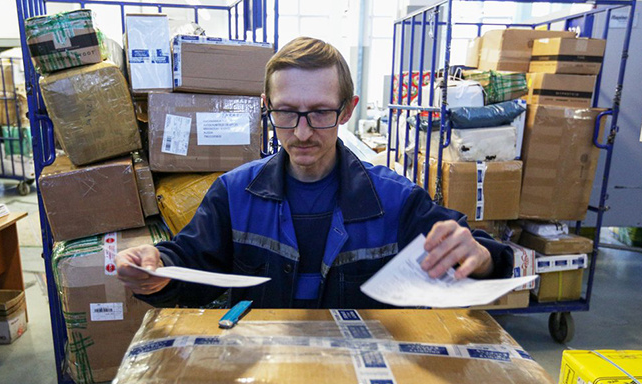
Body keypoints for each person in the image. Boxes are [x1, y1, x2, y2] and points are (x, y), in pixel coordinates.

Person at [116, 36, 513, 309]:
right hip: (266, 375)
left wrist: (479, 257)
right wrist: (156, 269)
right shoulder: (233, 195)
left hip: (361, 379)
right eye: (287, 112)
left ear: (347, 109)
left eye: (321, 113)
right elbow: (188, 264)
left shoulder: (396, 201)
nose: (302, 133)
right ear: (266, 106)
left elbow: (480, 256)